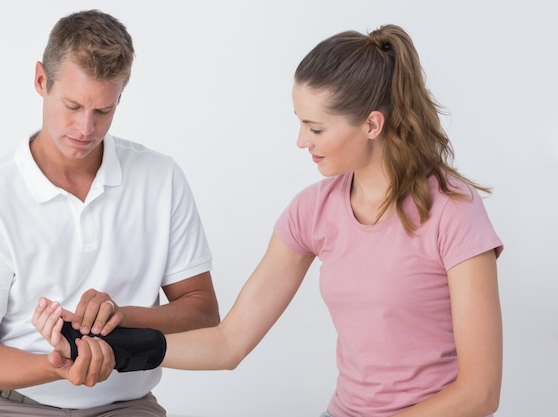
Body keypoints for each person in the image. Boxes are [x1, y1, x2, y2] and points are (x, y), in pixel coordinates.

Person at [34, 24, 503, 417]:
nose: (302, 141)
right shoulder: (312, 210)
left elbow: (480, 394)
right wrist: (116, 347)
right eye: (299, 122)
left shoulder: (452, 211)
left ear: (372, 125)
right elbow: (229, 342)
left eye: (316, 128)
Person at [0, 9, 219, 417]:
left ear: (120, 97)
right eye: (72, 105)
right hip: (15, 406)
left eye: (102, 111)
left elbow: (203, 313)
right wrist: (56, 366)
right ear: (41, 80)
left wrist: (122, 317)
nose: (85, 128)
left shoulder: (161, 179)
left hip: (127, 405)